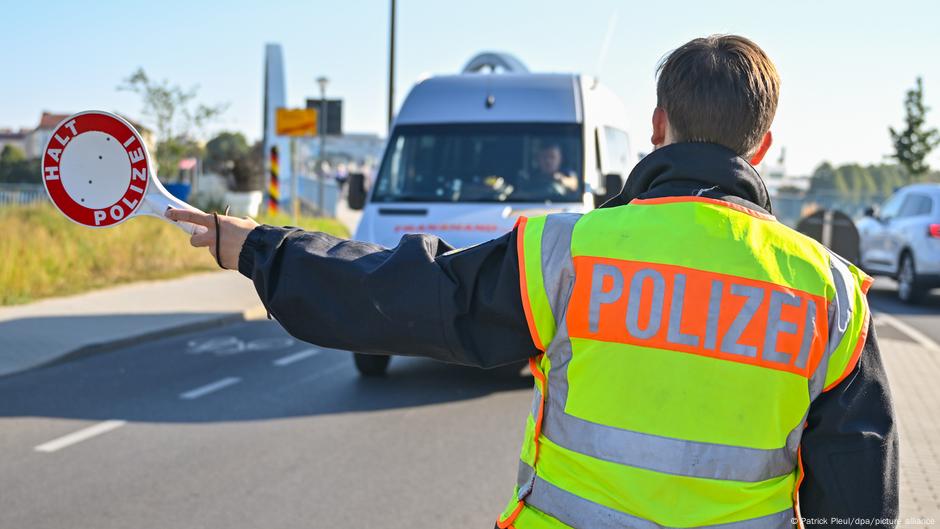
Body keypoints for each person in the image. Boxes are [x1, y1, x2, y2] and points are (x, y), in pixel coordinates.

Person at [168, 34, 898, 528]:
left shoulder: (570, 252)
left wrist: (260, 249)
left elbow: (403, 297)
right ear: (763, 144)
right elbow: (860, 502)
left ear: (656, 124)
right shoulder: (830, 296)